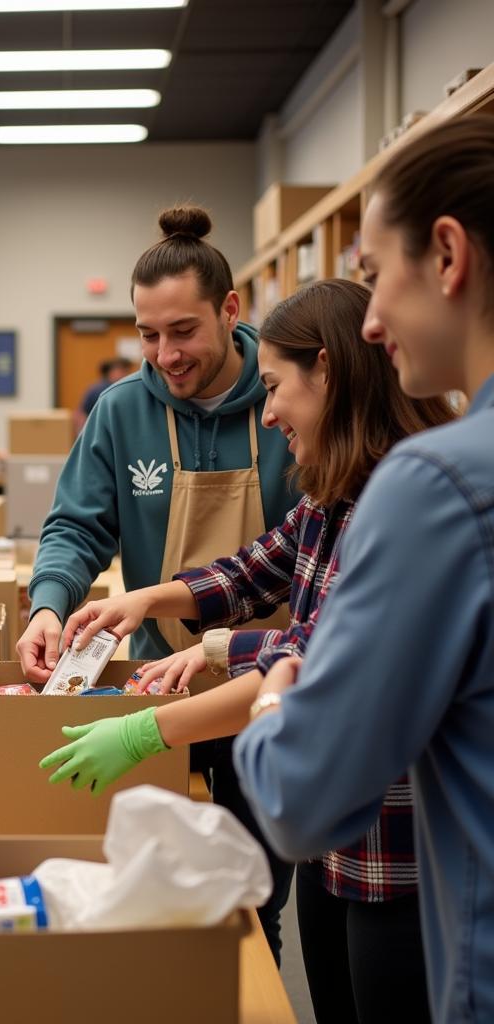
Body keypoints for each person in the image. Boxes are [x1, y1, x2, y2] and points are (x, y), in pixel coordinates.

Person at [42, 279, 453, 1024]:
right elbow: (250, 569)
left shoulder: (396, 503)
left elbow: (312, 662)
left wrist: (148, 729)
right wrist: (148, 600)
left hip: (395, 847)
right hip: (340, 837)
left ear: (326, 371)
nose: (267, 413)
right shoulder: (331, 492)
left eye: (275, 388)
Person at [233, 115, 494, 1024]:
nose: (373, 321)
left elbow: (302, 795)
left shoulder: (436, 485)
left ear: (450, 255)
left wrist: (275, 688)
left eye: (378, 276)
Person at [17, 204, 299, 962]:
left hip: (269, 691)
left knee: (248, 906)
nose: (165, 354)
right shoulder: (120, 412)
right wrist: (50, 605)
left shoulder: (288, 411)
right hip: (156, 684)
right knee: (151, 899)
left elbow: (289, 562)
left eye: (184, 331)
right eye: (148, 334)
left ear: (230, 310)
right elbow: (76, 529)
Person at [73, 356, 133, 434]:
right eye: (122, 370)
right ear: (110, 372)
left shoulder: (123, 387)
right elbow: (81, 414)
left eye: (127, 370)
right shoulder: (100, 389)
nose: (126, 374)